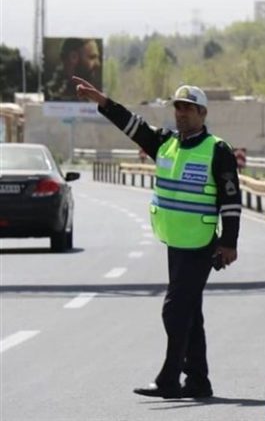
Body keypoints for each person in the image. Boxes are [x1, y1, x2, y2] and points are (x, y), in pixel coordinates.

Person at [73, 76, 241, 399]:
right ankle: (198, 381)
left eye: (189, 109)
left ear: (203, 114)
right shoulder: (166, 143)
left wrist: (229, 242)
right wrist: (103, 102)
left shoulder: (217, 150)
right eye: (178, 108)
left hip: (201, 243)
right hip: (175, 242)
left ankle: (168, 379)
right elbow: (132, 125)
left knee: (174, 310)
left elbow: (231, 198)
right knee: (190, 311)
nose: (181, 114)